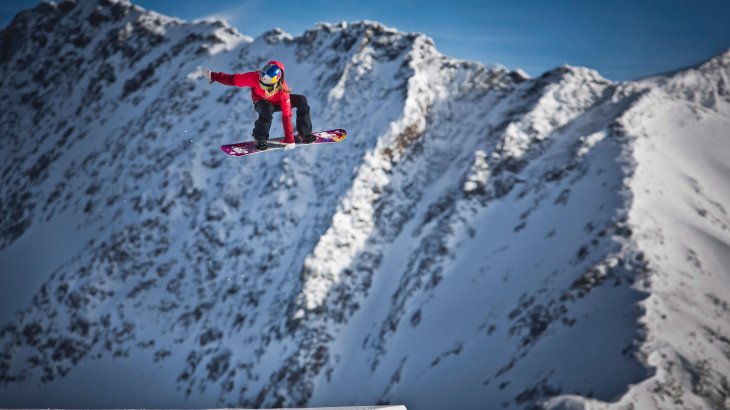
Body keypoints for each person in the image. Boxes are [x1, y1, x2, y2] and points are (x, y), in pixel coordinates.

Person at [203, 61, 316, 150]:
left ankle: (304, 133)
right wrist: (213, 76)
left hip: (278, 103)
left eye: (269, 87)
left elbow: (286, 116)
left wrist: (289, 139)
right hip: (261, 103)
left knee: (301, 100)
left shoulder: (283, 91)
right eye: (262, 85)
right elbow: (232, 80)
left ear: (277, 83)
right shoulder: (254, 77)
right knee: (267, 109)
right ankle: (260, 139)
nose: (265, 89)